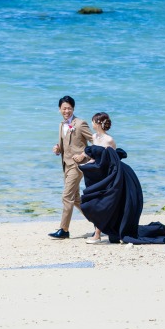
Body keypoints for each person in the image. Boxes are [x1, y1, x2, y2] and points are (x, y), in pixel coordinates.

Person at [49, 95, 92, 239]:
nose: (66, 111)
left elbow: (95, 141)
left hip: (77, 166)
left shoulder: (80, 124)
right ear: (59, 109)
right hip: (66, 165)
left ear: (73, 108)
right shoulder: (61, 125)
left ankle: (64, 230)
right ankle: (99, 222)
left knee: (67, 196)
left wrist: (84, 155)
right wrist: (58, 149)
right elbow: (65, 145)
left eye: (69, 108)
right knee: (76, 199)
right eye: (64, 108)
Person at [74, 112, 116, 244]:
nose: (91, 124)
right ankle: (98, 231)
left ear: (98, 123)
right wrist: (83, 160)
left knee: (100, 204)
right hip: (92, 174)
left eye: (93, 121)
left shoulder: (109, 140)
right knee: (92, 202)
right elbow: (92, 155)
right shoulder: (94, 137)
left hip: (104, 176)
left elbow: (112, 160)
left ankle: (97, 234)